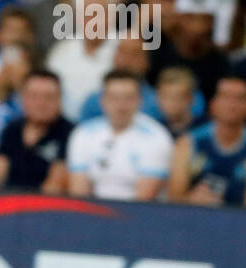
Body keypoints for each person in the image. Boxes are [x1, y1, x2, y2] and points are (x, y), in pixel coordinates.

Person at [67, 69, 174, 202]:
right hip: (93, 213)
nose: (121, 105)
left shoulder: (157, 137)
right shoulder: (82, 134)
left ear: (139, 100)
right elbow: (79, 191)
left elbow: (145, 198)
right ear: (103, 100)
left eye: (128, 98)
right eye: (114, 98)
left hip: (141, 216)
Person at [167, 76, 246, 207]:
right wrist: (191, 199)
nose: (232, 104)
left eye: (240, 98)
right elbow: (174, 196)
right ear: (213, 103)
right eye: (226, 97)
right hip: (194, 215)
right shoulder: (189, 142)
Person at [0, 69, 71, 193]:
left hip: (46, 208)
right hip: (7, 203)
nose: (41, 103)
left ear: (59, 100)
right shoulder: (13, 129)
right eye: (33, 96)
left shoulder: (70, 134)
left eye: (48, 97)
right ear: (23, 98)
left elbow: (56, 185)